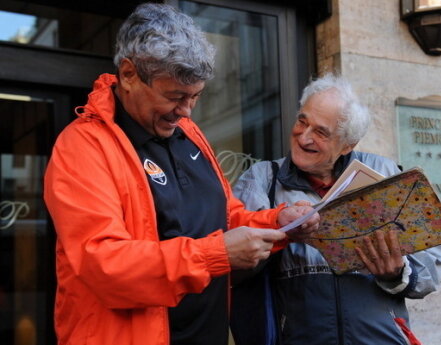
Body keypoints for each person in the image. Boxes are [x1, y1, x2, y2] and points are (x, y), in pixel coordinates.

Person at [43, 3, 319, 345]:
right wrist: (217, 254)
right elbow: (106, 266)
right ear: (129, 74)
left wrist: (279, 222)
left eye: (196, 96)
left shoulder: (188, 131)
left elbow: (224, 217)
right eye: (175, 96)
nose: (186, 111)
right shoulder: (82, 146)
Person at [232, 73, 441, 345]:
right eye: (302, 121)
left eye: (321, 132)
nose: (304, 137)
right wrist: (279, 231)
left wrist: (395, 273)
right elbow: (233, 266)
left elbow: (433, 270)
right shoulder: (262, 179)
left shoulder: (384, 173)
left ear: (348, 145)